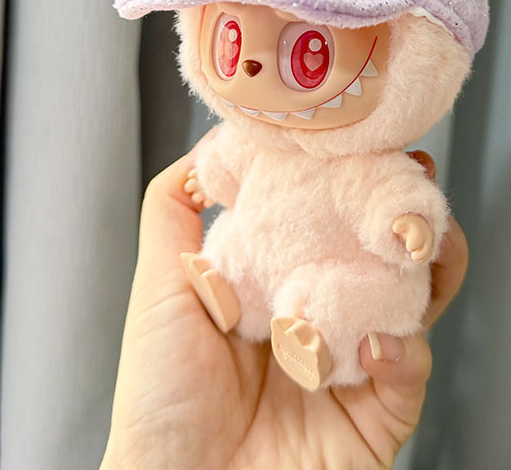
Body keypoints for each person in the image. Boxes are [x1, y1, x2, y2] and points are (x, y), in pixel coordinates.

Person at [100, 147, 468, 469]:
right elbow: (229, 162)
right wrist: (209, 175)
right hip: (260, 259)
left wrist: (408, 221)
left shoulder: (367, 163)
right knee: (232, 239)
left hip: (323, 272)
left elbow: (393, 193)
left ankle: (314, 343)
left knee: (335, 295)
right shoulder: (260, 137)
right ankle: (225, 286)